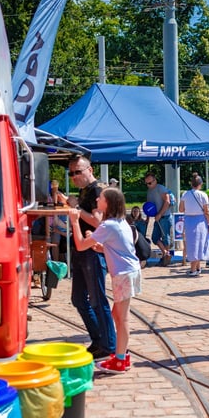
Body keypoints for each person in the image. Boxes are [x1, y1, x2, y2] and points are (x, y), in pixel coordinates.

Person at [68, 187, 141, 374]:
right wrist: (97, 245)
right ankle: (120, 354)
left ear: (107, 203)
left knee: (122, 319)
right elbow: (112, 248)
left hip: (123, 275)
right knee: (117, 315)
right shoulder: (119, 222)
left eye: (100, 198)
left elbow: (80, 246)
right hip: (128, 272)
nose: (97, 200)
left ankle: (120, 360)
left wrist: (75, 222)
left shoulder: (108, 225)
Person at [67, 156, 116, 360]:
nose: (74, 177)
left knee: (97, 299)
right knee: (78, 299)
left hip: (92, 251)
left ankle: (109, 344)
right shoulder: (84, 191)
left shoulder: (97, 190)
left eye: (78, 172)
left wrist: (77, 210)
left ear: (90, 170)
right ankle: (99, 339)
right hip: (80, 249)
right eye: (71, 173)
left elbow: (98, 222)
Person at [179, 174, 209, 276]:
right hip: (201, 220)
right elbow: (206, 211)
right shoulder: (203, 195)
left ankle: (195, 268)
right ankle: (196, 268)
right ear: (201, 184)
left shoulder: (185, 194)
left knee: (192, 244)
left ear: (191, 184)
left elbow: (181, 209)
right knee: (200, 244)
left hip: (189, 220)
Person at [145, 172, 173, 266]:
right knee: (154, 237)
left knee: (165, 237)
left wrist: (160, 214)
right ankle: (165, 253)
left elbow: (167, 201)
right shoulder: (149, 191)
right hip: (157, 218)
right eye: (147, 183)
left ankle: (166, 257)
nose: (148, 185)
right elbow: (149, 206)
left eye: (150, 183)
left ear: (155, 180)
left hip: (165, 217)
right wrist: (148, 218)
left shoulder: (161, 188)